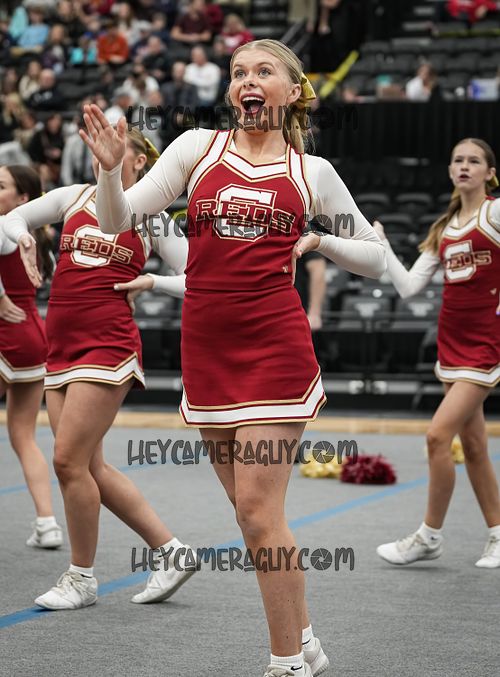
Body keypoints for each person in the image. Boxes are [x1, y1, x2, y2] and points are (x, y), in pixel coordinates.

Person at [80, 38, 385, 676]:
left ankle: (286, 663)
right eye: (238, 71)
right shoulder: (197, 149)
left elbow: (376, 257)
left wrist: (319, 240)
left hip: (275, 349)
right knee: (251, 518)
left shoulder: (312, 172)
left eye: (263, 71)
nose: (247, 80)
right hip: (208, 353)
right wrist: (110, 173)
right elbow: (114, 223)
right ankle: (305, 640)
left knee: (256, 511)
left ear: (293, 91)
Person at [3, 127, 194, 610]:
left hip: (108, 345)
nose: (99, 156)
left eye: (111, 150)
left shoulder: (152, 217)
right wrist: (22, 236)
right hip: (60, 346)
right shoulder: (72, 197)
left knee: (67, 460)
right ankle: (173, 552)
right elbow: (12, 216)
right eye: (95, 150)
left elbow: (197, 278)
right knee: (88, 466)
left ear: (138, 161)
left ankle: (81, 577)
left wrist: (153, 282)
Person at [374, 138, 500, 569]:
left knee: (436, 436)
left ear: (489, 173)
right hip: (451, 343)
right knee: (475, 445)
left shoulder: (494, 214)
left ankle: (429, 535)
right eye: (458, 160)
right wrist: (382, 245)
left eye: (474, 161)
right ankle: (498, 535)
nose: (465, 166)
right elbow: (410, 288)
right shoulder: (444, 229)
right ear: (449, 171)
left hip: (485, 344)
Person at [0, 164, 63, 549]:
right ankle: (47, 523)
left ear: (23, 198)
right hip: (33, 336)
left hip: (6, 331)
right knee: (24, 437)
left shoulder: (4, 227)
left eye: (1, 186)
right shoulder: (40, 237)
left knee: (24, 435)